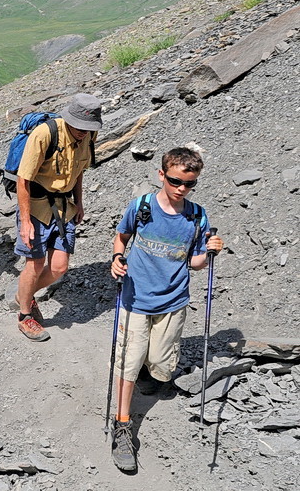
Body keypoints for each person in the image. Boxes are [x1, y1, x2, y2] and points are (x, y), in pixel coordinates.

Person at [108, 147, 222, 472]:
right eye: (175, 181)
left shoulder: (197, 217)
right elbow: (121, 238)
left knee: (160, 363)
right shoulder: (142, 207)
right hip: (135, 299)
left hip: (173, 302)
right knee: (127, 364)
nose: (181, 189)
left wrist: (210, 252)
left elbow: (196, 263)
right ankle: (122, 424)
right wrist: (117, 260)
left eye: (190, 184)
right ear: (162, 175)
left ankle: (149, 370)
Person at [14, 93, 102, 341]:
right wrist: (26, 221)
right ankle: (24, 316)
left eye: (89, 128)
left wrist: (80, 202)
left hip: (65, 207)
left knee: (60, 267)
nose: (84, 132)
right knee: (35, 264)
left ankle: (25, 294)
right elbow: (24, 180)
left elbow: (79, 171)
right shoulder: (44, 134)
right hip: (36, 207)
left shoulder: (89, 135)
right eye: (81, 127)